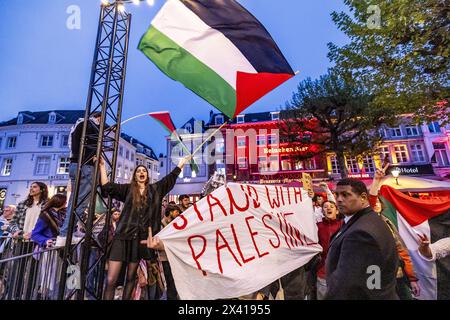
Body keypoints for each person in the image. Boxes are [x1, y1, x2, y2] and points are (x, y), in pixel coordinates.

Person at [99, 155, 191, 300]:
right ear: (135, 176)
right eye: (138, 171)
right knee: (111, 280)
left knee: (131, 278)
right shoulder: (127, 189)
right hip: (122, 237)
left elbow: (170, 178)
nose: (141, 172)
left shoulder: (155, 189)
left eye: (144, 171)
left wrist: (181, 164)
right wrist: (102, 166)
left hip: (140, 241)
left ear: (147, 176)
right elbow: (106, 187)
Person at [325, 178, 399, 300]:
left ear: (363, 197)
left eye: (345, 195)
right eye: (336, 194)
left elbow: (347, 283)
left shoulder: (361, 233)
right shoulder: (365, 219)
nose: (339, 199)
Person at [369, 168, 420, 299]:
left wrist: (412, 278)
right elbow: (371, 200)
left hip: (396, 273)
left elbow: (402, 250)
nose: (377, 204)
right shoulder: (367, 222)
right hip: (373, 272)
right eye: (375, 203)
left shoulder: (388, 223)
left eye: (379, 202)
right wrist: (376, 181)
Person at [56, 111, 102, 247]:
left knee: (73, 202)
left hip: (75, 165)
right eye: (101, 120)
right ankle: (65, 235)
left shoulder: (78, 125)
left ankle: (66, 233)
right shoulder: (89, 125)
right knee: (80, 203)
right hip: (85, 167)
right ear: (98, 118)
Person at [316, 200, 343, 300]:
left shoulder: (344, 225)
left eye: (332, 206)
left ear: (337, 211)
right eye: (325, 207)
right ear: (322, 211)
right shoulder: (317, 227)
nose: (329, 208)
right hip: (323, 272)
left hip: (342, 272)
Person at [159, 204, 181, 300]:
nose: (178, 214)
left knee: (176, 280)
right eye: (176, 212)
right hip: (165, 258)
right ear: (170, 212)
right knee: (170, 281)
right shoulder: (161, 224)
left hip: (175, 257)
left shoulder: (175, 223)